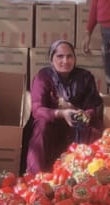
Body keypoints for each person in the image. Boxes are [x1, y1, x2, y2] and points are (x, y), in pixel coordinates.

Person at [25, 39, 103, 174]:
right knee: (41, 124)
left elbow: (93, 105)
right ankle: (35, 177)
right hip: (52, 125)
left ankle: (89, 174)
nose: (65, 61)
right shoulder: (43, 77)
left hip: (76, 124)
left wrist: (86, 114)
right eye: (60, 56)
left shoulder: (85, 77)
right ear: (51, 59)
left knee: (94, 128)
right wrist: (62, 114)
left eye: (69, 56)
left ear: (75, 58)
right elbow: (37, 110)